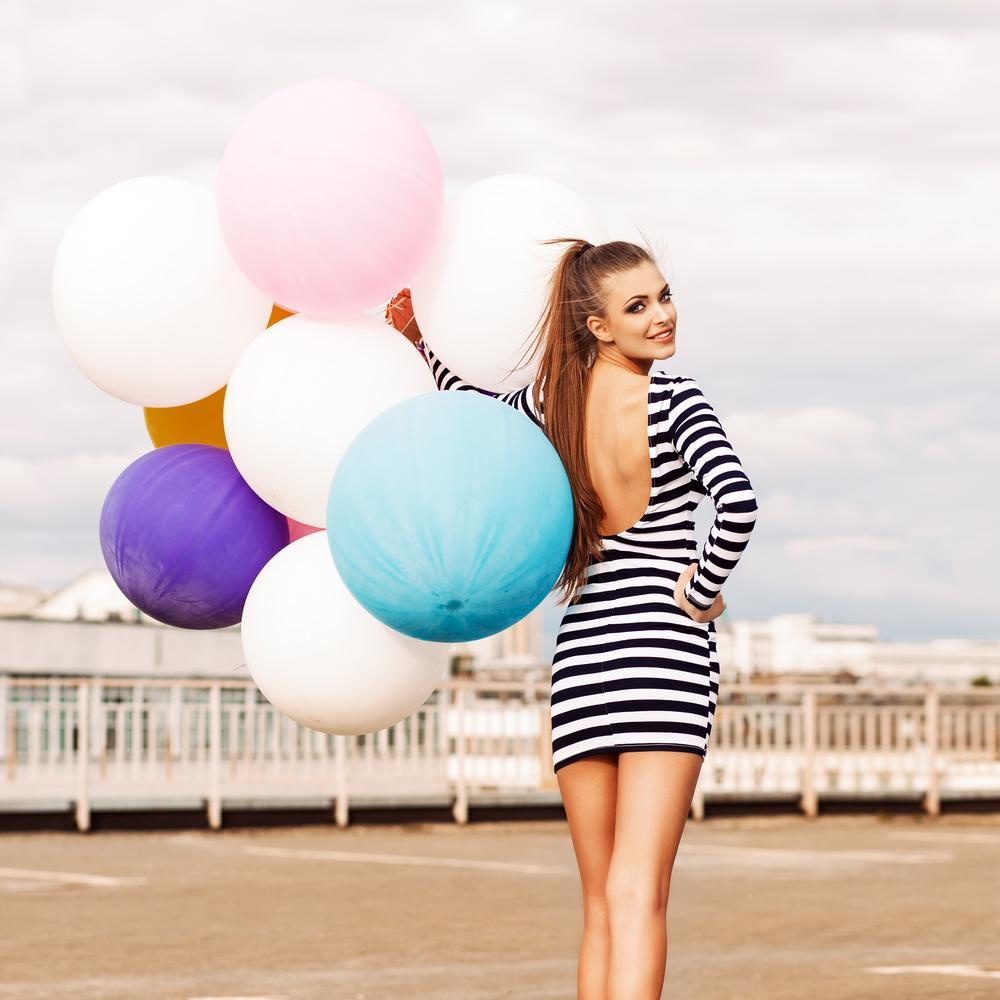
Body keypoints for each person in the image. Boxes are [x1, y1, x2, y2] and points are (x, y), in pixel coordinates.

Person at [385, 238, 758, 1000]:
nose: (662, 316)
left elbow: (475, 409)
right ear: (596, 325)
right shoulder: (674, 399)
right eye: (638, 306)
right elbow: (739, 500)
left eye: (663, 295)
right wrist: (700, 587)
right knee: (639, 893)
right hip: (664, 658)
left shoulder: (548, 408)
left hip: (583, 658)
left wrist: (420, 344)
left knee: (598, 905)